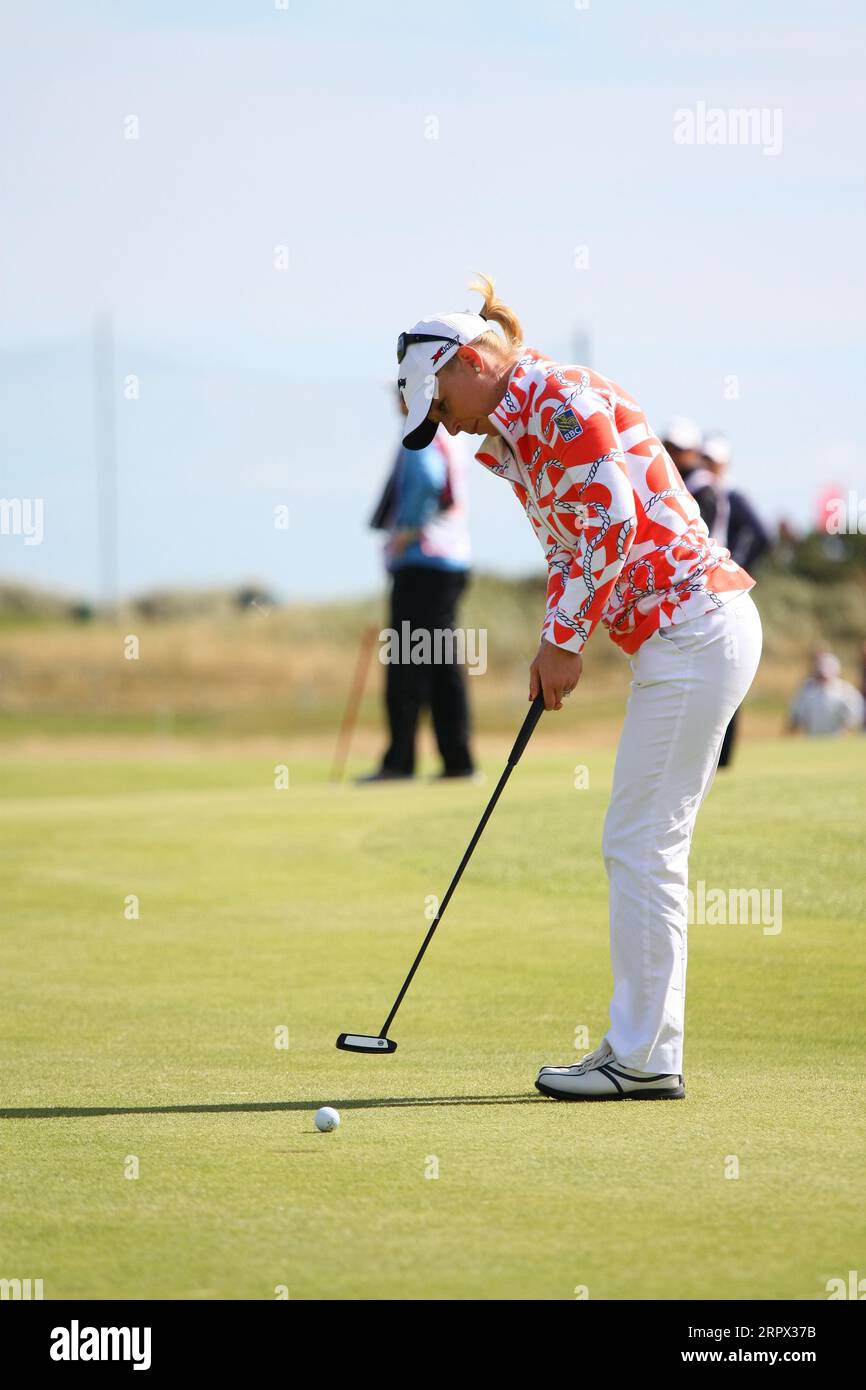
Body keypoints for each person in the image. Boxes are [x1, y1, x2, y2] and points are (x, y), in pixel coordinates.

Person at [396, 274, 762, 1101]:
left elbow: (615, 519)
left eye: (439, 405)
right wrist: (552, 640)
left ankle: (642, 1058)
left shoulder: (554, 400)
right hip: (682, 633)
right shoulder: (522, 430)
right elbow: (573, 542)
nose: (442, 426)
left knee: (640, 843)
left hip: (695, 627)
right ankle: (642, 1050)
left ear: (467, 363)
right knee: (642, 842)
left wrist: (567, 641)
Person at [356, 391, 477, 783]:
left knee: (407, 663)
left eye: (402, 392)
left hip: (422, 562)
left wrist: (405, 533)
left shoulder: (420, 433)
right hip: (447, 562)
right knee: (441, 662)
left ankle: (400, 761)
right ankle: (457, 761)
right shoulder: (448, 432)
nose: (396, 401)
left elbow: (426, 478)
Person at [699, 431, 772, 767]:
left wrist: (736, 566)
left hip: (720, 590)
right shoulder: (701, 489)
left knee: (727, 670)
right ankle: (711, 755)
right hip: (703, 592)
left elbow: (762, 534)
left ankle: (723, 757)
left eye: (714, 459)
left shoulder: (728, 495)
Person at [788, 651, 865, 735]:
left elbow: (855, 718)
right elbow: (796, 717)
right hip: (812, 739)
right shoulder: (807, 689)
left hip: (837, 739)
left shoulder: (846, 690)